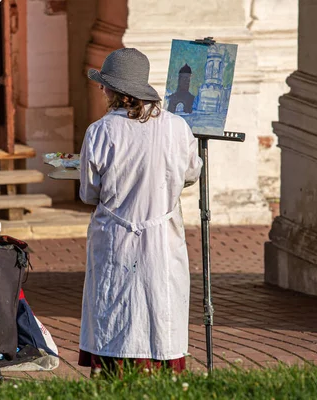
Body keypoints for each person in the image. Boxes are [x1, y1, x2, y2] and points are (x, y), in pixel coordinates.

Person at [77, 48, 203, 377]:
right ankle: (159, 377)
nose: (101, 89)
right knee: (159, 306)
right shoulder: (178, 128)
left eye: (104, 84)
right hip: (162, 235)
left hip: (115, 234)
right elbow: (192, 173)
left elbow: (89, 192)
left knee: (114, 308)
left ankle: (114, 375)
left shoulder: (100, 131)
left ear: (116, 91)